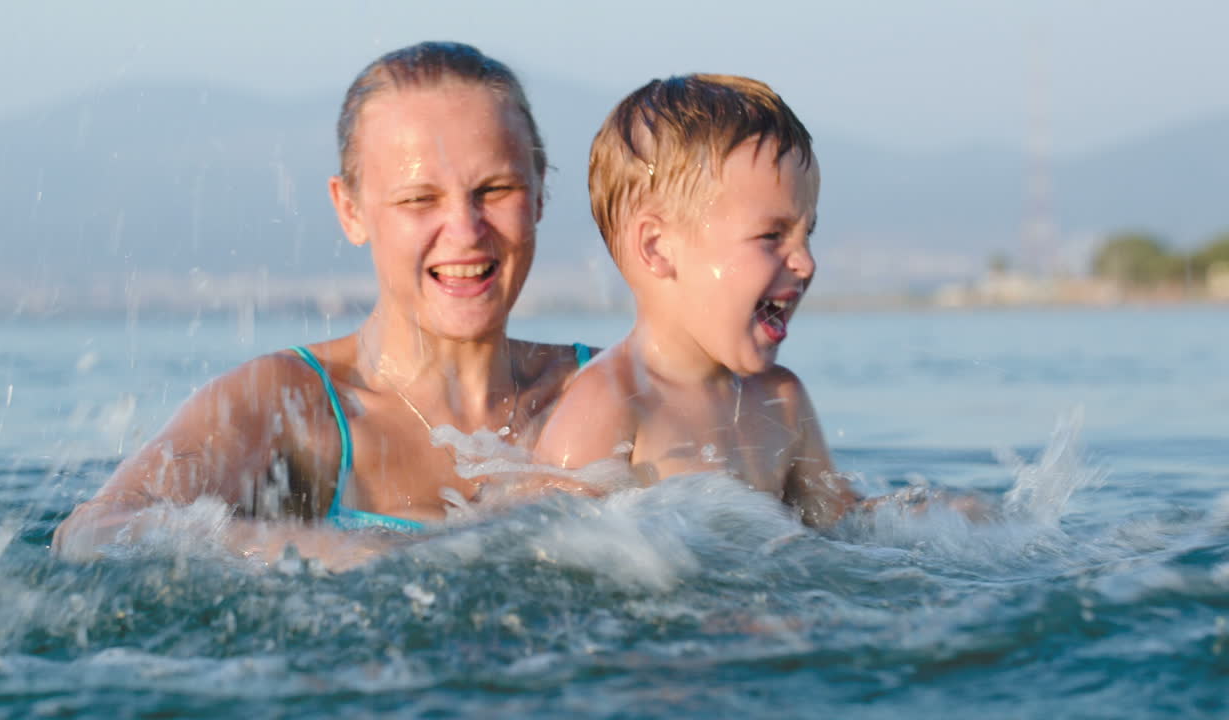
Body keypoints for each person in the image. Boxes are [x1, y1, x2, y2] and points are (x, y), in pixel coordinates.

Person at [54, 42, 595, 567]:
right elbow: (95, 531)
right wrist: (334, 554)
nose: (465, 230)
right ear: (350, 209)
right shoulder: (289, 403)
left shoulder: (610, 390)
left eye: (496, 190)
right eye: (418, 199)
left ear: (540, 190)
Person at [532, 74, 864, 528]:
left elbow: (844, 527)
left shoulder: (783, 402)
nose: (805, 262)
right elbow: (543, 545)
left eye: (808, 234)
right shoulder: (609, 406)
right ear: (657, 248)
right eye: (772, 235)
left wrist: (932, 516)